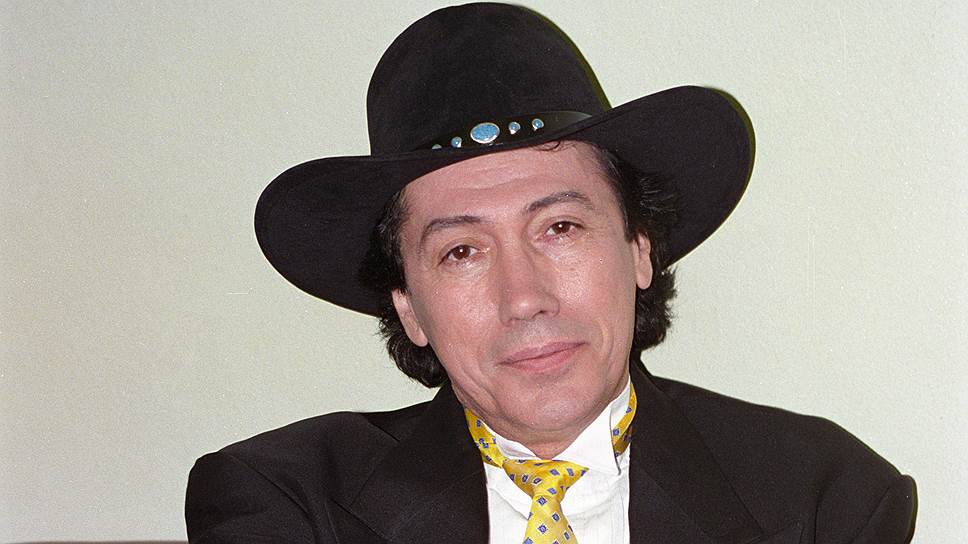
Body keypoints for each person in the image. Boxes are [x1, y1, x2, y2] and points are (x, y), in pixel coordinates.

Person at [185, 3, 916, 543]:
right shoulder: (285, 501)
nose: (525, 298)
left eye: (559, 228)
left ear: (639, 247)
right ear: (407, 305)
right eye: (462, 251)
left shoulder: (824, 498)